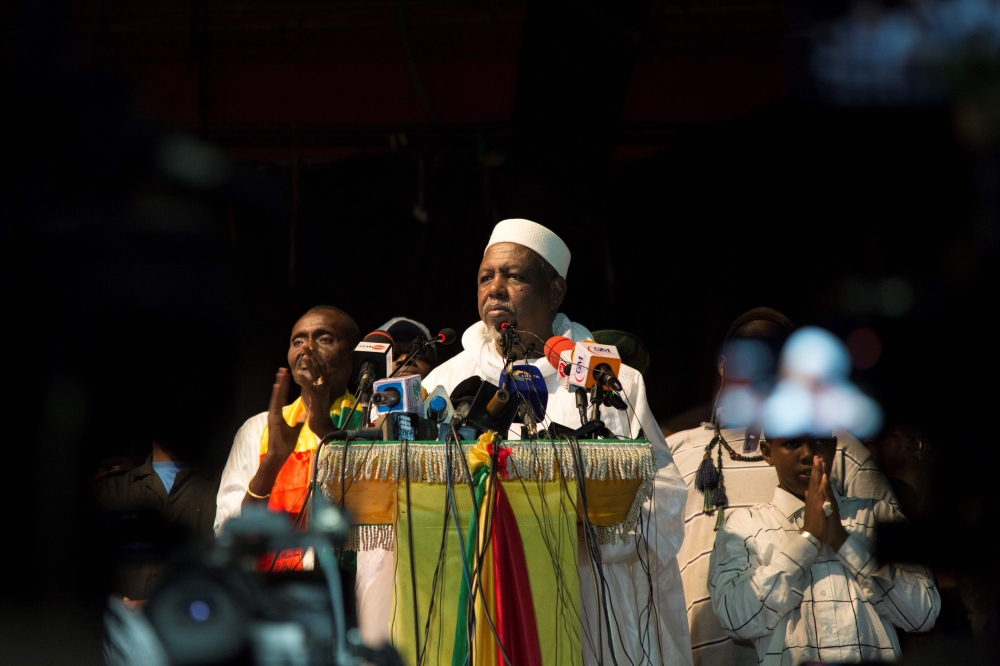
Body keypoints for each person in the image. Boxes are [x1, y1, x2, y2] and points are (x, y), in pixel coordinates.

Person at [420, 218, 692, 666]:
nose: (495, 288)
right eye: (486, 277)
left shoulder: (611, 380)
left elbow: (663, 491)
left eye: (514, 276)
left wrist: (590, 535)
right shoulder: (445, 383)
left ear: (555, 291)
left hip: (590, 597)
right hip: (484, 596)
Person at [668, 307, 900, 666]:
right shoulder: (678, 450)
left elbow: (892, 546)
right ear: (724, 366)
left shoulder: (838, 446)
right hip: (704, 649)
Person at [708, 434, 940, 665]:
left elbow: (924, 614)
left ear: (834, 447)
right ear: (768, 453)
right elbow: (736, 620)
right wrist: (808, 539)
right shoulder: (744, 526)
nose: (808, 454)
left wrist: (843, 542)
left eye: (820, 442)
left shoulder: (877, 514)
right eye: (792, 443)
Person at [214, 305, 363, 569]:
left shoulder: (374, 423)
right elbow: (228, 535)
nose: (307, 349)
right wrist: (272, 461)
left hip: (352, 587)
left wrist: (325, 429)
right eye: (298, 341)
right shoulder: (258, 429)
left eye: (324, 339)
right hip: (275, 587)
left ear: (352, 358)